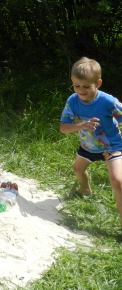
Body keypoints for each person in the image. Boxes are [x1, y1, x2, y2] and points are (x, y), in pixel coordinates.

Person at [59, 57, 122, 228]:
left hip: (112, 146)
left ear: (98, 83)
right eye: (77, 86)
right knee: (77, 169)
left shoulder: (108, 102)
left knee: (118, 181)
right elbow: (63, 128)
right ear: (72, 81)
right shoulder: (72, 101)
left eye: (87, 86)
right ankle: (85, 189)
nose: (81, 90)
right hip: (88, 147)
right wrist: (81, 125)